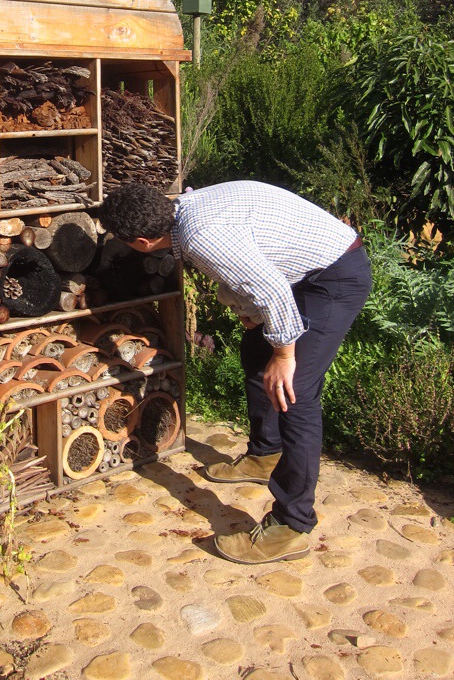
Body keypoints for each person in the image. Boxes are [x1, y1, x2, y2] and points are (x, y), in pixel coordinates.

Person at [97, 180, 372, 565]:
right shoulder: (185, 208)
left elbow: (272, 289)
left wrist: (285, 354)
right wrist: (258, 323)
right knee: (256, 352)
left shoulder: (200, 237)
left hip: (333, 279)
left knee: (293, 391)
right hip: (309, 272)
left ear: (142, 242)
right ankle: (266, 454)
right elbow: (250, 261)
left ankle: (292, 525)